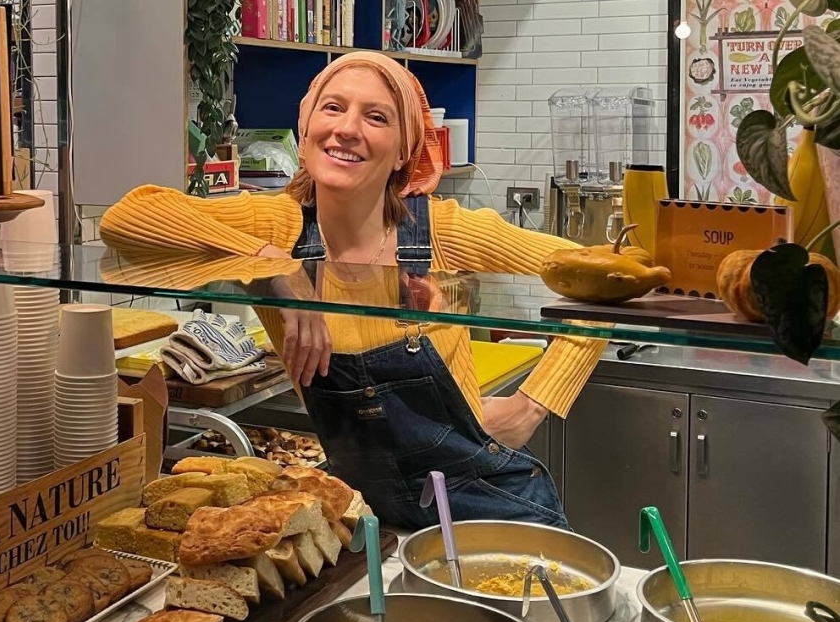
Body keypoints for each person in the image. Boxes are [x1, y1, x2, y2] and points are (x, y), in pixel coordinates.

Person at [100, 51, 607, 530]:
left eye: (377, 117)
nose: (347, 129)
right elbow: (128, 218)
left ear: (404, 151)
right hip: (362, 513)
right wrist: (273, 265)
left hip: (488, 506)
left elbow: (601, 279)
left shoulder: (442, 232)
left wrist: (533, 404)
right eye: (333, 107)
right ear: (306, 128)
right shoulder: (273, 225)